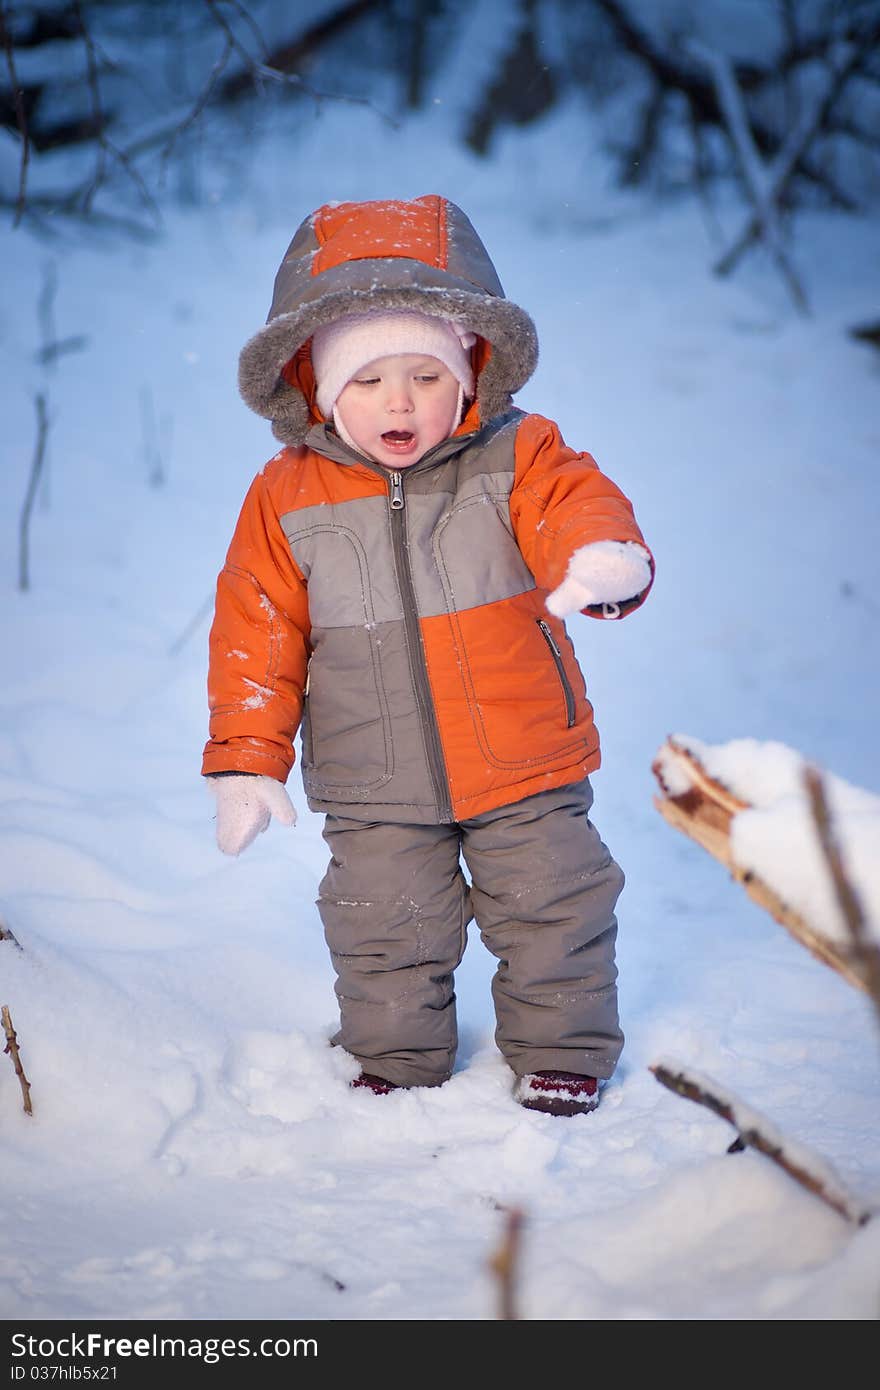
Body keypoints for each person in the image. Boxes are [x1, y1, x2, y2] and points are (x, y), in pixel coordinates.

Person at [203, 195, 653, 1117]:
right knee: (382, 923)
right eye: (366, 382)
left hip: (524, 752)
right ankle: (395, 1060)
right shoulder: (285, 496)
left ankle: (563, 1051)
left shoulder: (517, 454)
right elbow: (257, 628)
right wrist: (248, 758)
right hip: (373, 773)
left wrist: (600, 556)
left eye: (423, 374)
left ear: (469, 374)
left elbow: (576, 501)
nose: (397, 401)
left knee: (553, 904)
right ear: (323, 392)